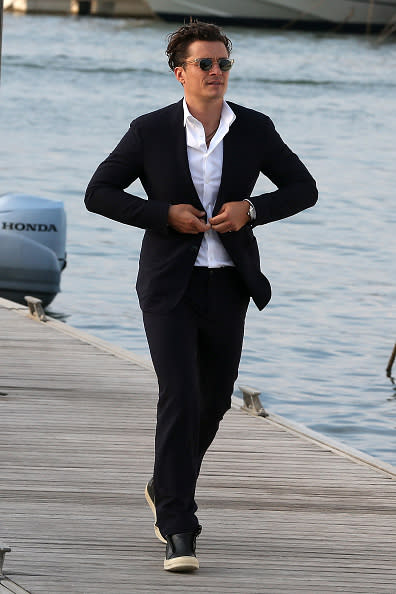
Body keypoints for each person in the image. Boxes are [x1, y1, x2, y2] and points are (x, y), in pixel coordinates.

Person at [85, 21, 318, 573]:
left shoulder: (254, 129)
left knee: (213, 400)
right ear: (180, 72)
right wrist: (161, 214)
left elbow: (303, 187)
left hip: (228, 283)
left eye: (224, 64)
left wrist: (252, 210)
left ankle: (165, 481)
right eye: (206, 64)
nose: (217, 73)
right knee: (181, 394)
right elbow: (99, 192)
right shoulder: (151, 131)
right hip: (169, 284)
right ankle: (179, 527)